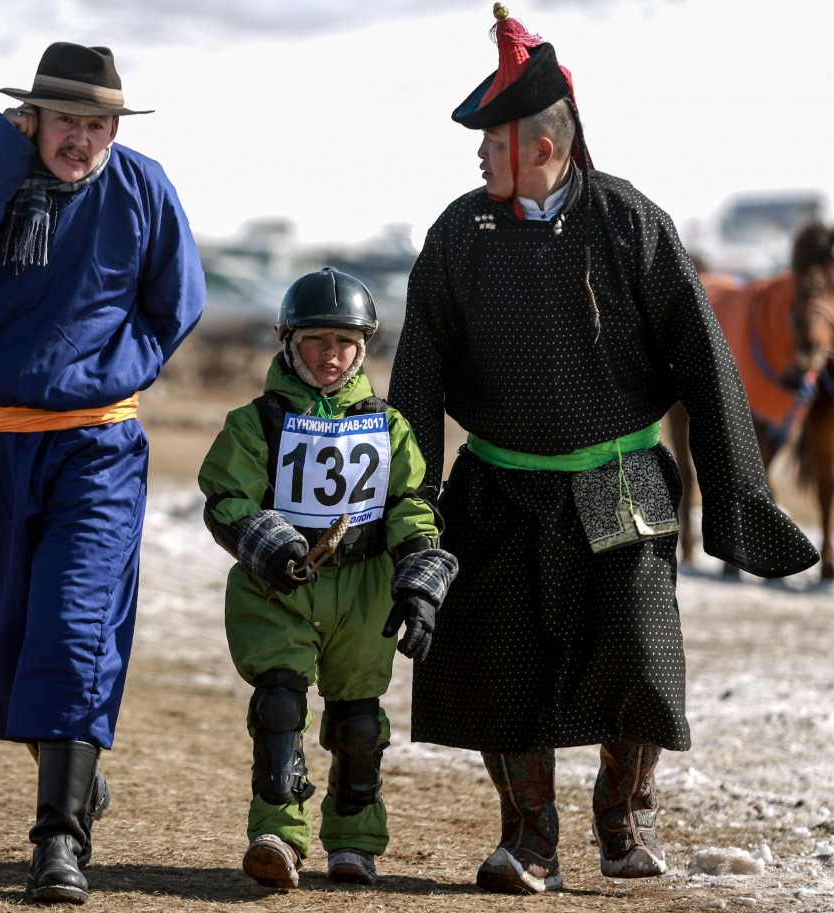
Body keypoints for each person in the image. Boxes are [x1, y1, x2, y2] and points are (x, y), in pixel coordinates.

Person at [388, 5, 819, 896]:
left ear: (544, 144)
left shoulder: (631, 222)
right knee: (503, 666)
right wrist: (411, 508)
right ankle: (528, 838)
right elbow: (418, 378)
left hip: (622, 485)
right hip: (499, 488)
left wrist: (739, 495)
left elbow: (706, 360)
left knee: (641, 653)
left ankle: (623, 812)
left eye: (490, 139)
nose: (477, 155)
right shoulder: (457, 236)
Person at [0, 42, 205, 905]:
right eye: (69, 123)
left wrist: (101, 373)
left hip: (93, 448)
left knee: (73, 623)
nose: (84, 142)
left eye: (100, 126)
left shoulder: (143, 190)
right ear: (33, 117)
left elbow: (176, 305)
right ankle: (66, 755)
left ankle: (57, 841)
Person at [198, 268, 458, 890]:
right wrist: (269, 542)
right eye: (317, 341)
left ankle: (353, 840)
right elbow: (226, 498)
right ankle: (277, 835)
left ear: (363, 349)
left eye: (345, 343)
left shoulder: (389, 426)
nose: (332, 356)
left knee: (358, 723)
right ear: (289, 342)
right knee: (281, 704)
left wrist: (421, 582)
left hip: (364, 588)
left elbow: (410, 506)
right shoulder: (255, 422)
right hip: (279, 586)